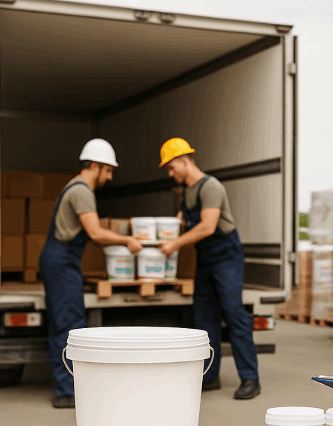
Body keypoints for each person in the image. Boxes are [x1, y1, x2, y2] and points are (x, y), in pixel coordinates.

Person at [39, 138, 142, 409]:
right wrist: (127, 241)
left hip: (62, 259)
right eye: (108, 171)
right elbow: (96, 233)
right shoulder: (82, 190)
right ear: (95, 165)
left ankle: (69, 387)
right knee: (68, 324)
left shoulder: (74, 187)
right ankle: (65, 392)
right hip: (61, 261)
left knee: (68, 321)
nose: (109, 177)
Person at [158, 138, 261, 400]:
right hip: (205, 258)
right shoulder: (187, 192)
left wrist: (174, 244)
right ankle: (210, 376)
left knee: (234, 313)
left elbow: (207, 227)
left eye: (171, 168)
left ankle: (250, 379)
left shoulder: (210, 186)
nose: (170, 174)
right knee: (204, 319)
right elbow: (181, 223)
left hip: (226, 255)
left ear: (184, 161)